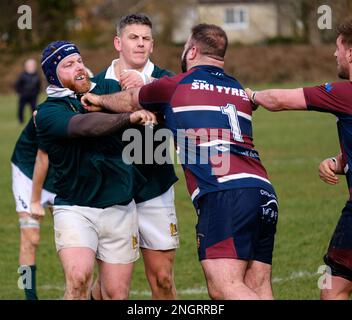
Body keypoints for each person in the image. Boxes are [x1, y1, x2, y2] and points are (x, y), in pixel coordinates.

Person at [83, 24, 279, 300]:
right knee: (257, 284)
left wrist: (98, 99)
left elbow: (130, 101)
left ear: (193, 50)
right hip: (263, 191)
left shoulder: (176, 84)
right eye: (133, 38)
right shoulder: (236, 88)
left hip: (224, 192)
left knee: (226, 286)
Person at [35, 40, 157, 300]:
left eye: (79, 60)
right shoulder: (48, 112)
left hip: (120, 205)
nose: (79, 67)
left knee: (115, 294)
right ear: (53, 76)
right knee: (79, 280)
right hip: (76, 207)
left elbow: (136, 99)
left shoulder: (107, 90)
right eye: (68, 65)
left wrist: (139, 85)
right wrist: (129, 116)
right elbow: (85, 126)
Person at [245, 19, 352, 300]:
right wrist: (337, 162)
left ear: (351, 53)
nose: (334, 54)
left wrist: (250, 95)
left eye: (338, 48)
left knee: (333, 289)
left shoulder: (345, 93)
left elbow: (281, 100)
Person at [91, 13, 179, 300]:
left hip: (154, 186)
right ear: (118, 42)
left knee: (163, 279)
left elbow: (180, 101)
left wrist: (144, 82)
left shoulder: (166, 80)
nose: (140, 44)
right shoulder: (97, 84)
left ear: (152, 45)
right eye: (133, 37)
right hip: (110, 190)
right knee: (111, 288)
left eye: (146, 39)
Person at [11, 117, 56, 300]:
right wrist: (35, 199)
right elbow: (41, 157)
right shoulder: (46, 112)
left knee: (75, 240)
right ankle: (29, 297)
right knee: (30, 239)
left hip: (59, 175)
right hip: (28, 171)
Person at [15, 59, 41, 124]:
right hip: (24, 95)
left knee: (34, 109)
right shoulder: (22, 75)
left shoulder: (37, 75)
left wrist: (37, 92)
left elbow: (38, 85)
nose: (31, 67)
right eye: (29, 66)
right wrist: (20, 92)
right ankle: (21, 121)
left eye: (32, 66)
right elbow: (18, 85)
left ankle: (34, 120)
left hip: (33, 96)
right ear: (26, 67)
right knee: (21, 108)